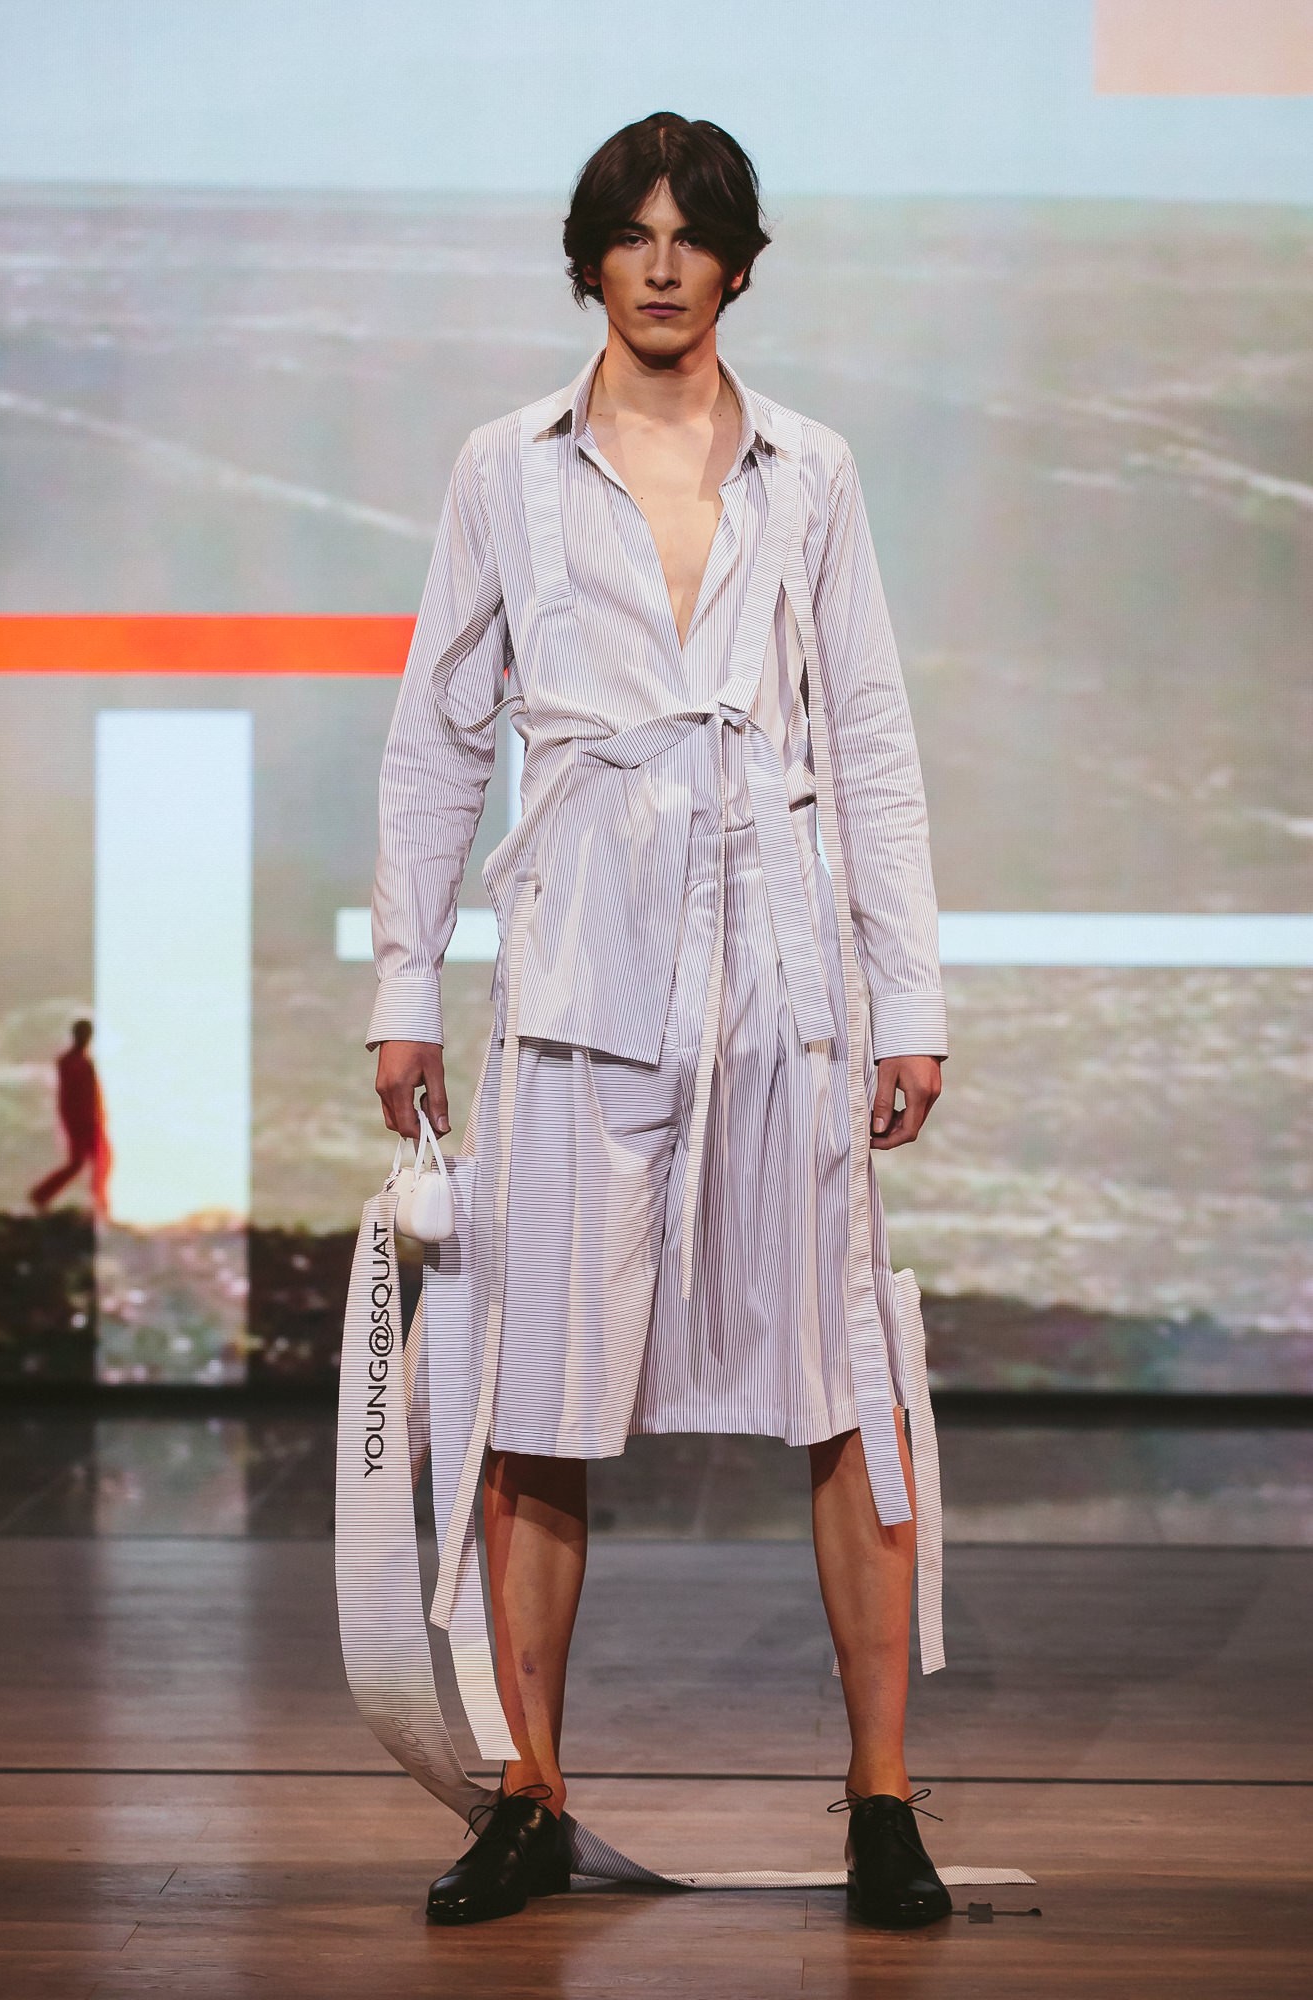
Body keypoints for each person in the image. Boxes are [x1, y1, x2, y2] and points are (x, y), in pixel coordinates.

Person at [368, 112, 951, 1930]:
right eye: (631, 233)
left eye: (692, 234)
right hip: (579, 981)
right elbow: (436, 737)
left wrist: (907, 998)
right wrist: (405, 984)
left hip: (777, 979)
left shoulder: (810, 470)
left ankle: (881, 1802)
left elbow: (868, 737)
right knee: (535, 1398)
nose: (662, 261)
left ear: (737, 264)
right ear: (588, 260)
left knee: (845, 1388)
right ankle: (530, 1794)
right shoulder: (505, 468)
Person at [29, 1018, 111, 1218]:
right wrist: (82, 1119)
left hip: (88, 1119)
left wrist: (100, 1115)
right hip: (80, 1120)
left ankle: (99, 1203)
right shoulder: (71, 1062)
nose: (87, 1039)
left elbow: (92, 1094)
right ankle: (41, 1195)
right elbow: (72, 1095)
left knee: (100, 1160)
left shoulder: (81, 1061)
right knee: (82, 1162)